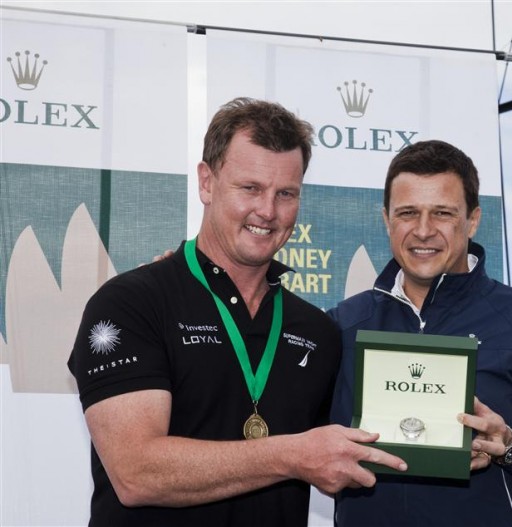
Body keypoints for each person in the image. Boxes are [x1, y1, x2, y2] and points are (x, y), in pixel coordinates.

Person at [67, 97, 406, 527]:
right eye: (250, 188)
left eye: (286, 194)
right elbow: (137, 473)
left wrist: (459, 439)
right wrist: (291, 455)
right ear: (207, 183)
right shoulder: (131, 303)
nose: (267, 211)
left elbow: (345, 452)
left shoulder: (317, 330)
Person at [329, 140, 512, 526]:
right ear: (386, 219)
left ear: (473, 220)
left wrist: (511, 445)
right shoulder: (344, 324)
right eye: (408, 212)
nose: (423, 231)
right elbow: (305, 449)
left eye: (442, 213)